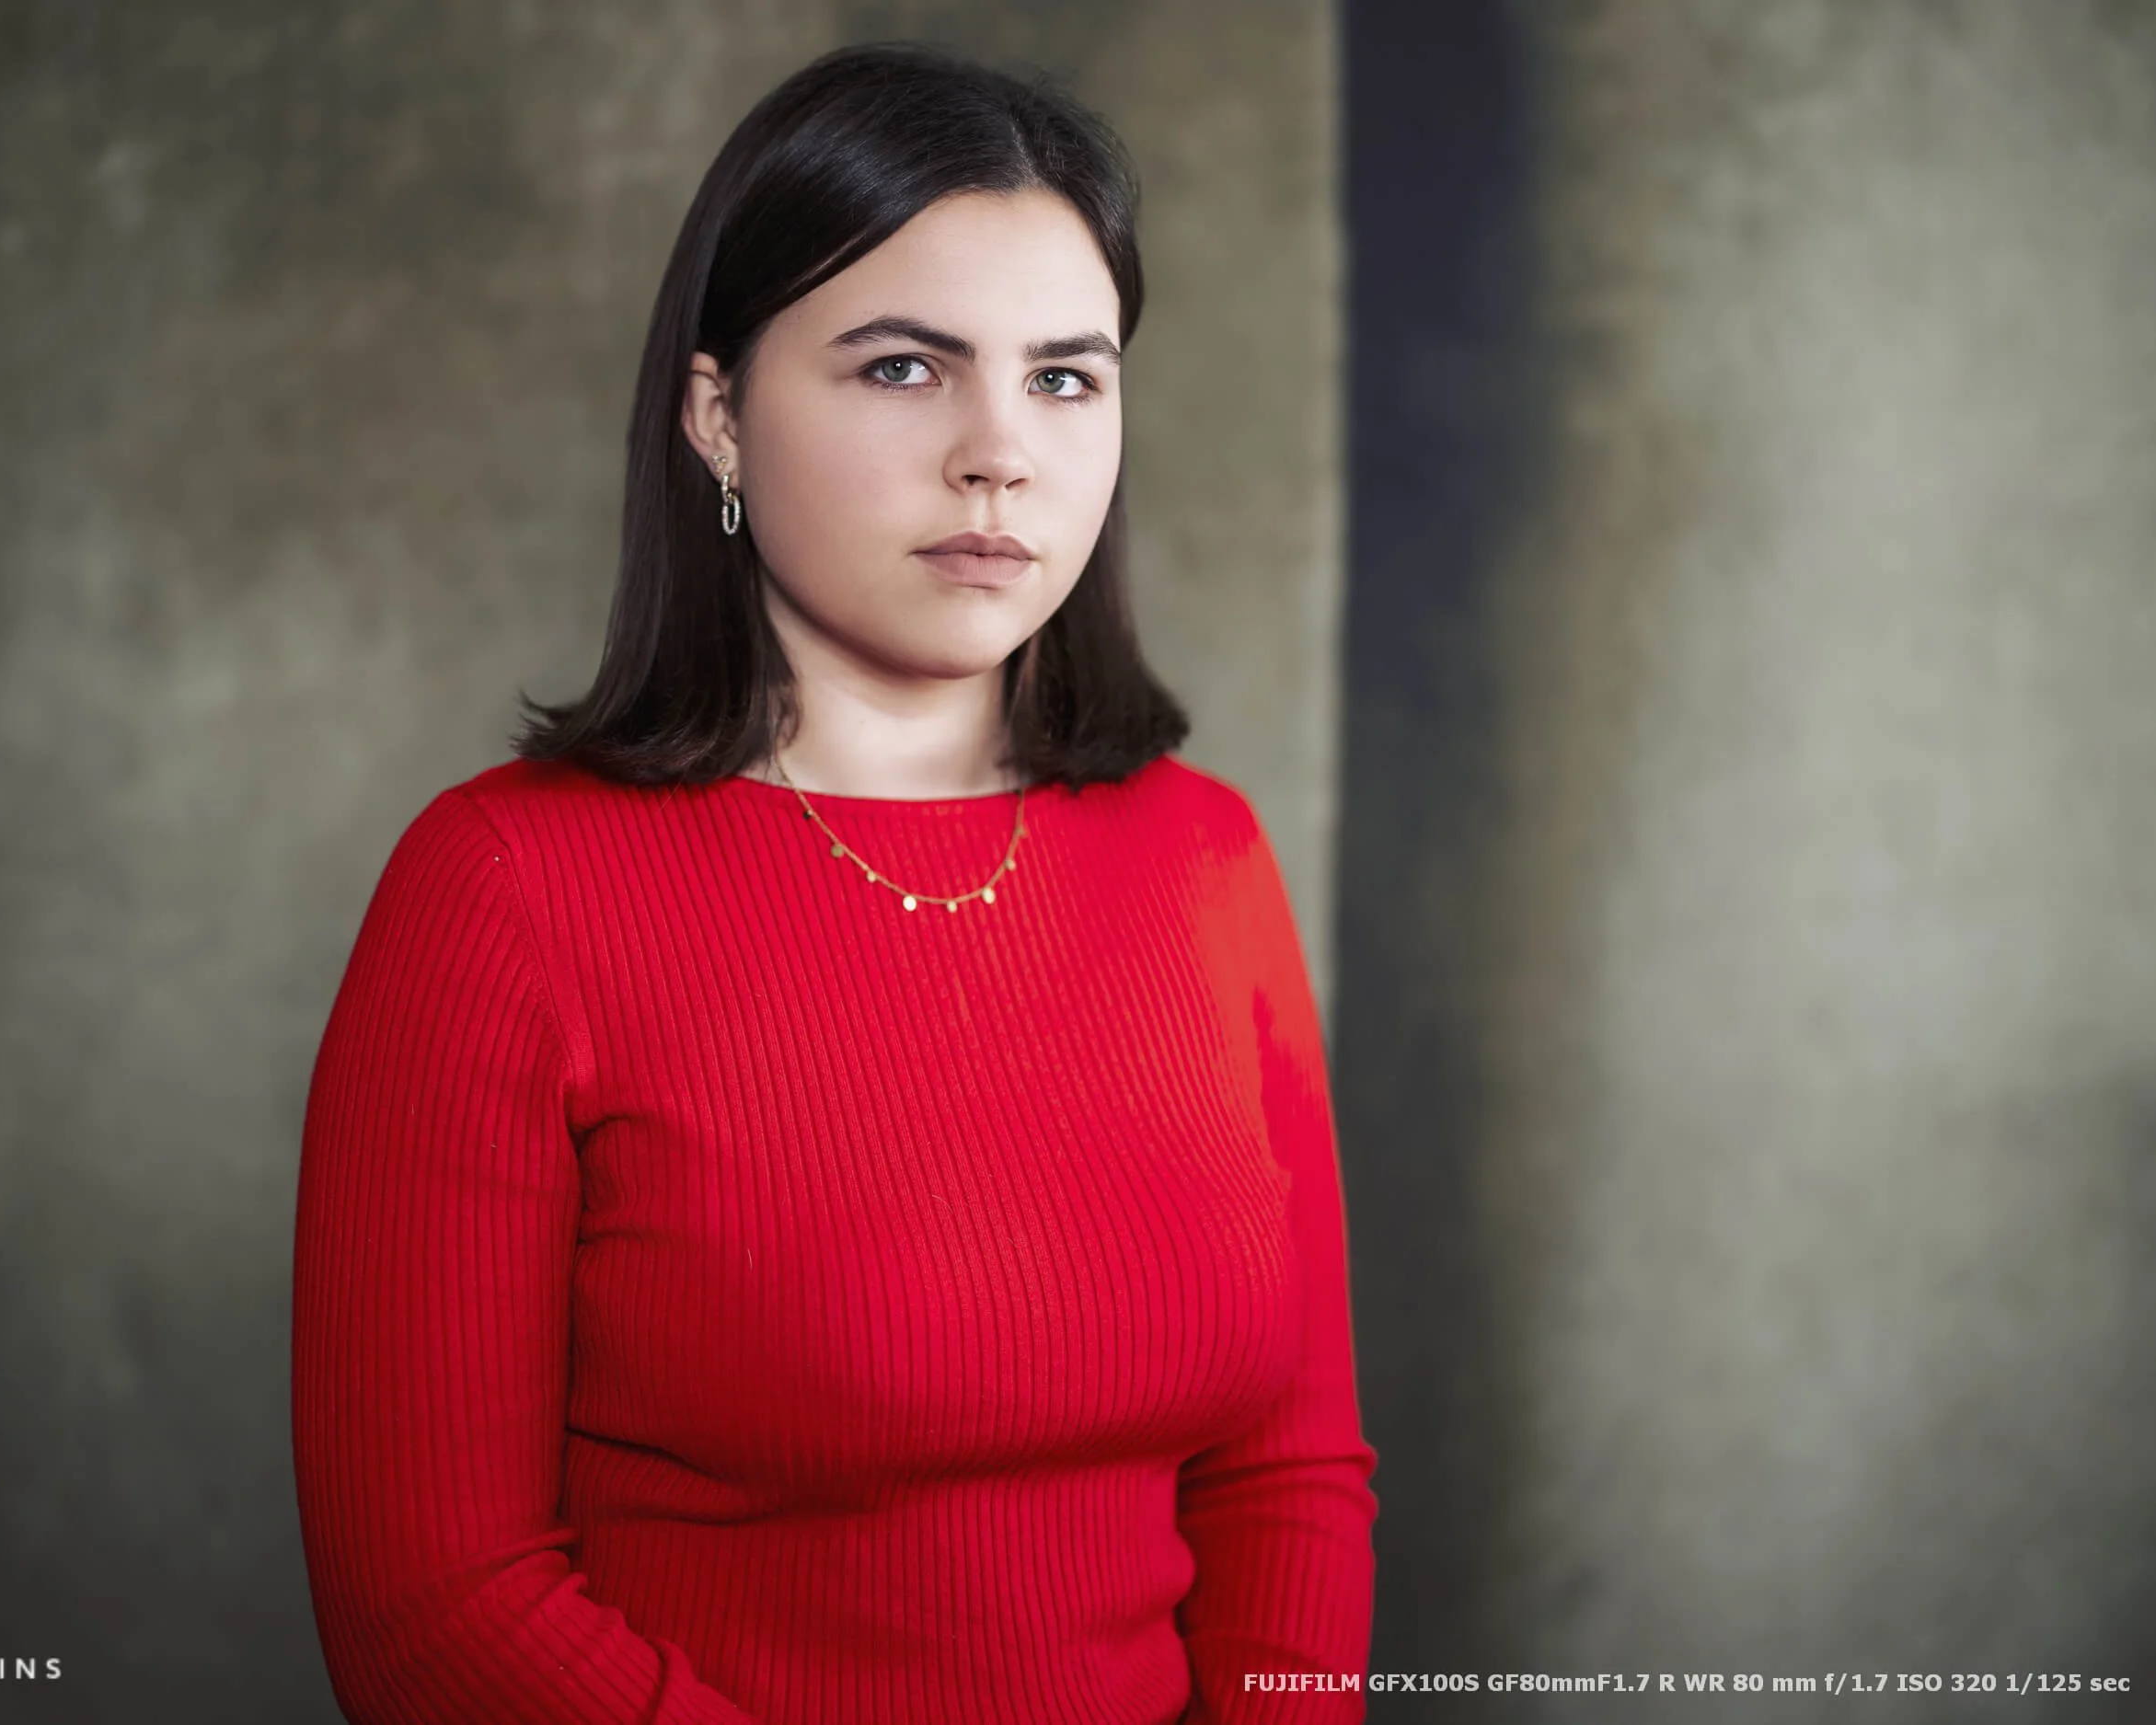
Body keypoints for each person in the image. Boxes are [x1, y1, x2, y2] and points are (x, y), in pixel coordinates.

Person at [290, 39, 1377, 1725]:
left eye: (1067, 377)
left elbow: (1288, 1474)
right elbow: (439, 1612)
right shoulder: (504, 884)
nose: (999, 453)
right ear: (718, 409)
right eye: (901, 368)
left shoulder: (1203, 854)